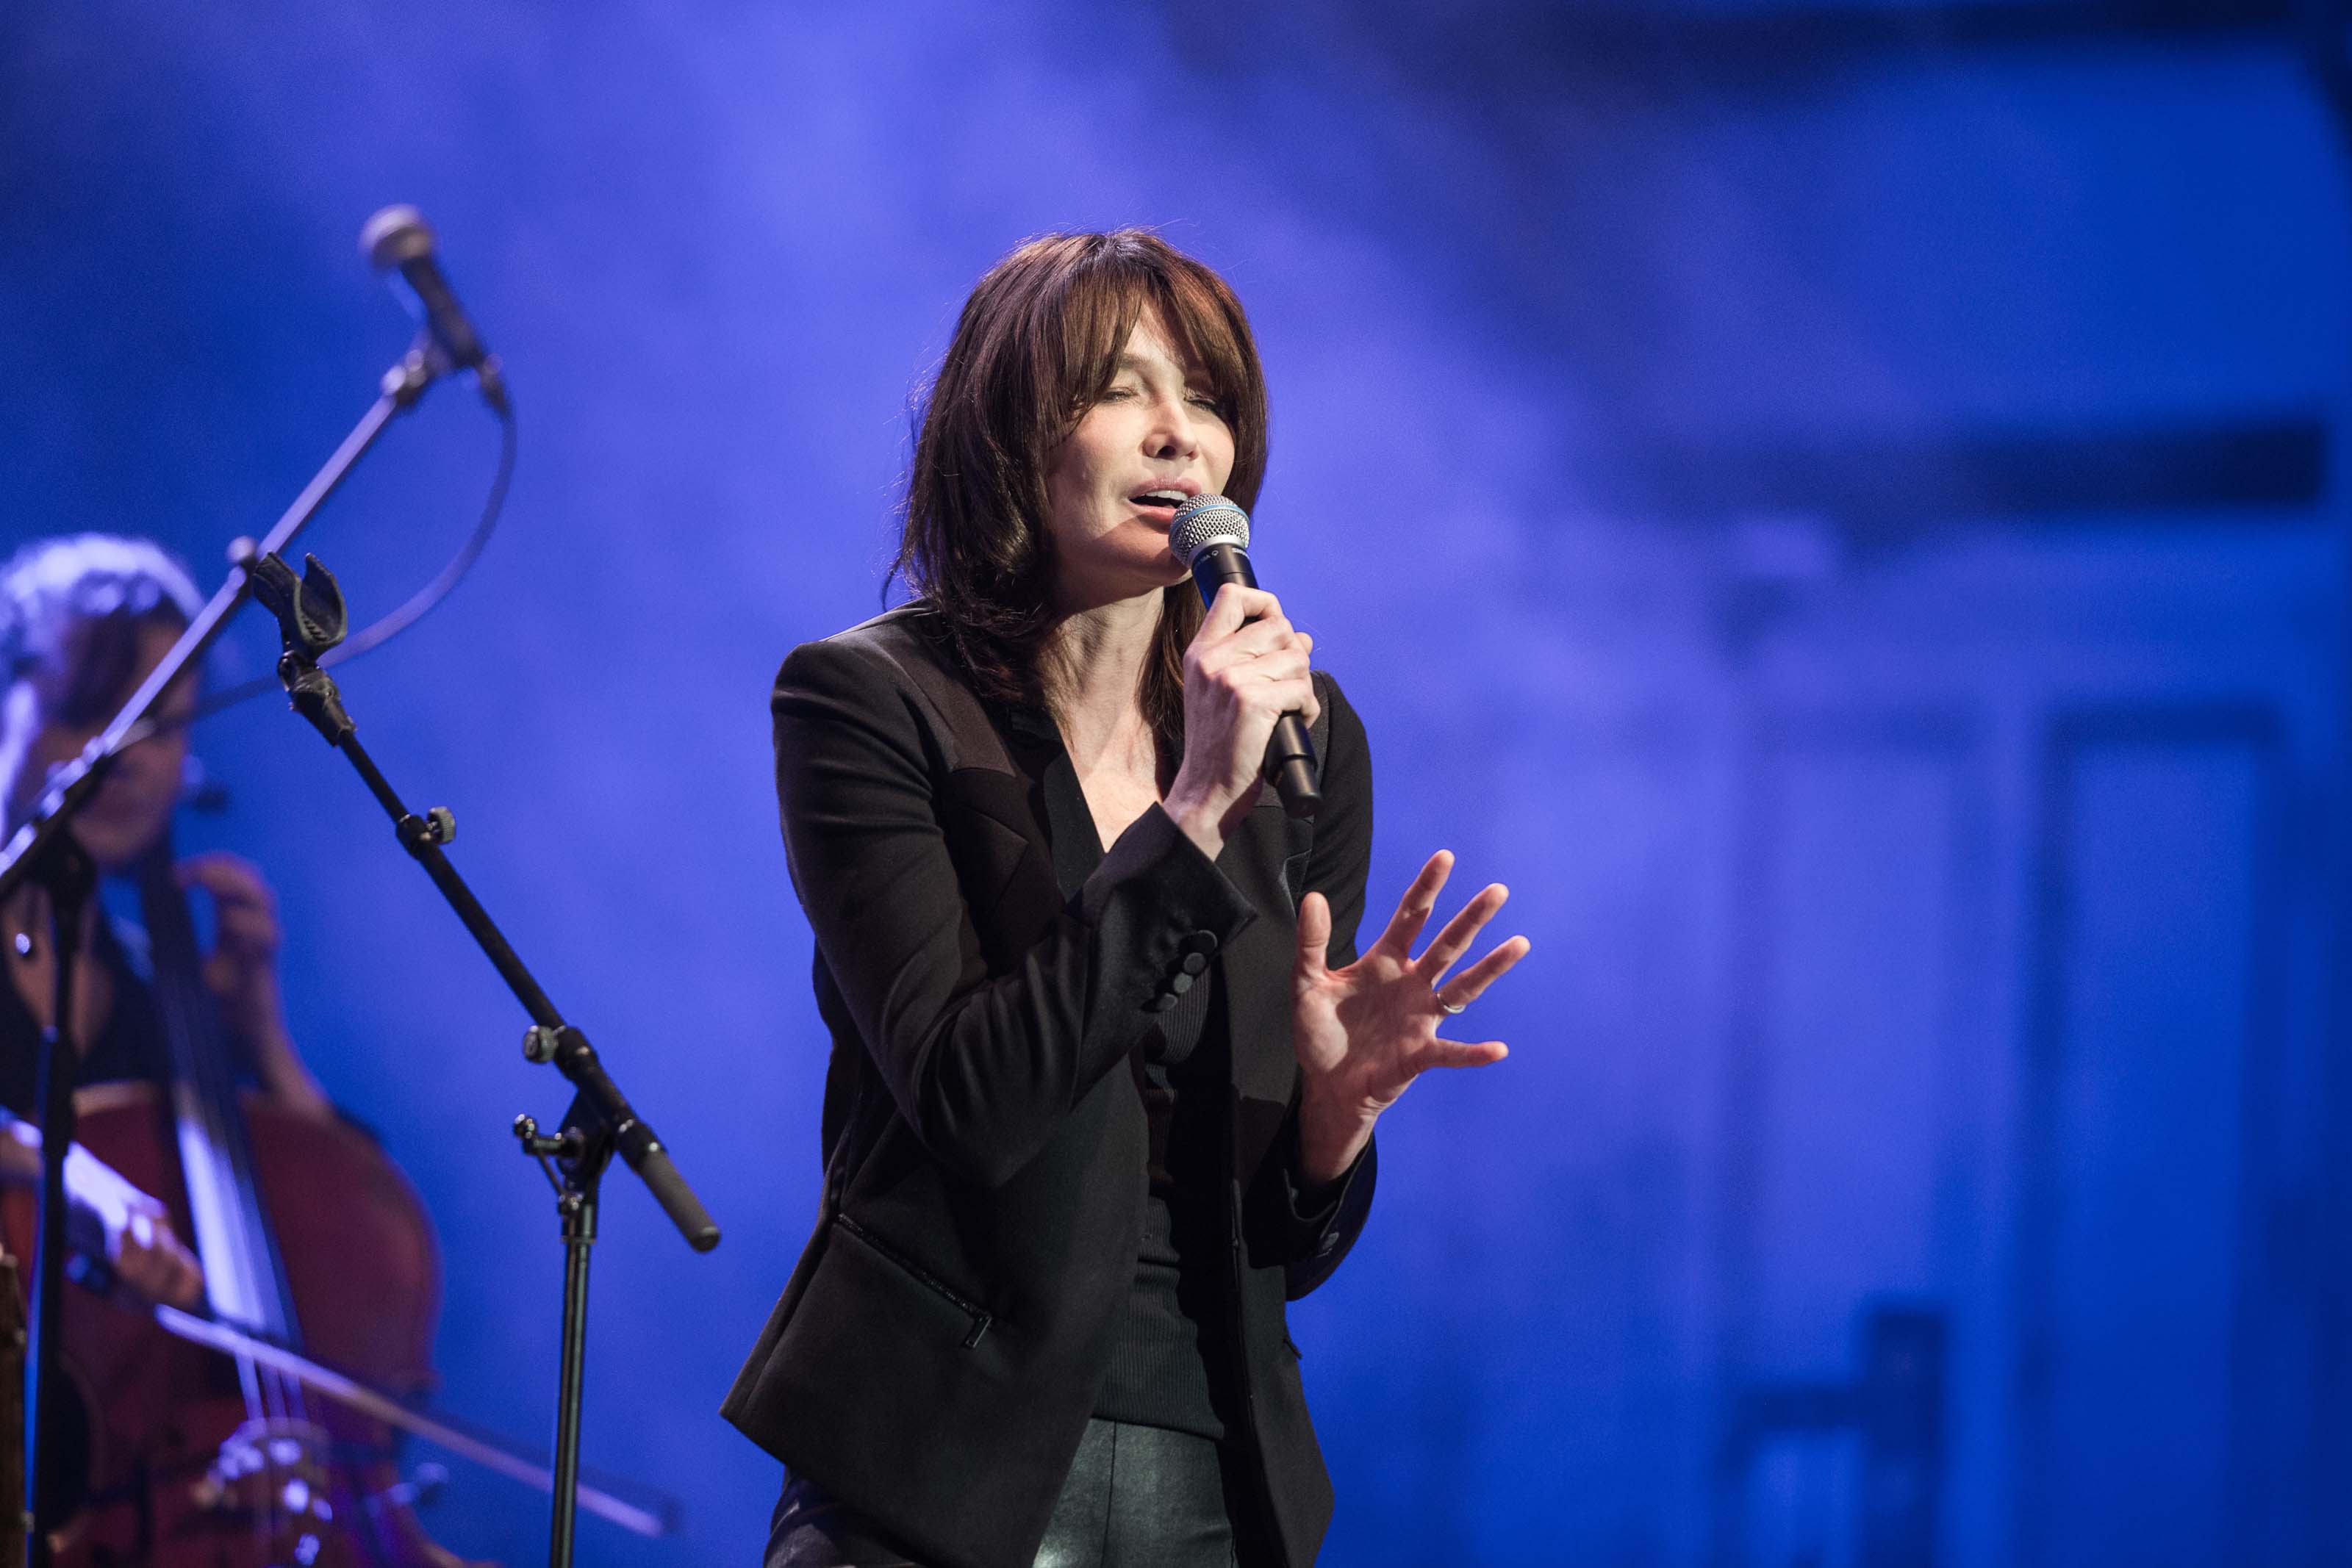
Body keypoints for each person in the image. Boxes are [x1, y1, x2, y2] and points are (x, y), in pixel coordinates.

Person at [723, 231, 1530, 1568]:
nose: (1179, 437)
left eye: (1207, 400)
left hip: (1212, 1465)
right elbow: (978, 1101)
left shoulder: (1308, 734)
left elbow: (1277, 1237)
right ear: (1010, 431)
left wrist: (1331, 1127)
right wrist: (1196, 808)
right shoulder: (872, 702)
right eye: (1122, 389)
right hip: (932, 1463)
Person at [0, 533, 336, 1307]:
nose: (132, 758)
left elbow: (340, 1229)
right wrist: (59, 1166)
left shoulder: (154, 997)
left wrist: (261, 1037)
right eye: (91, 710)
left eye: (165, 725)